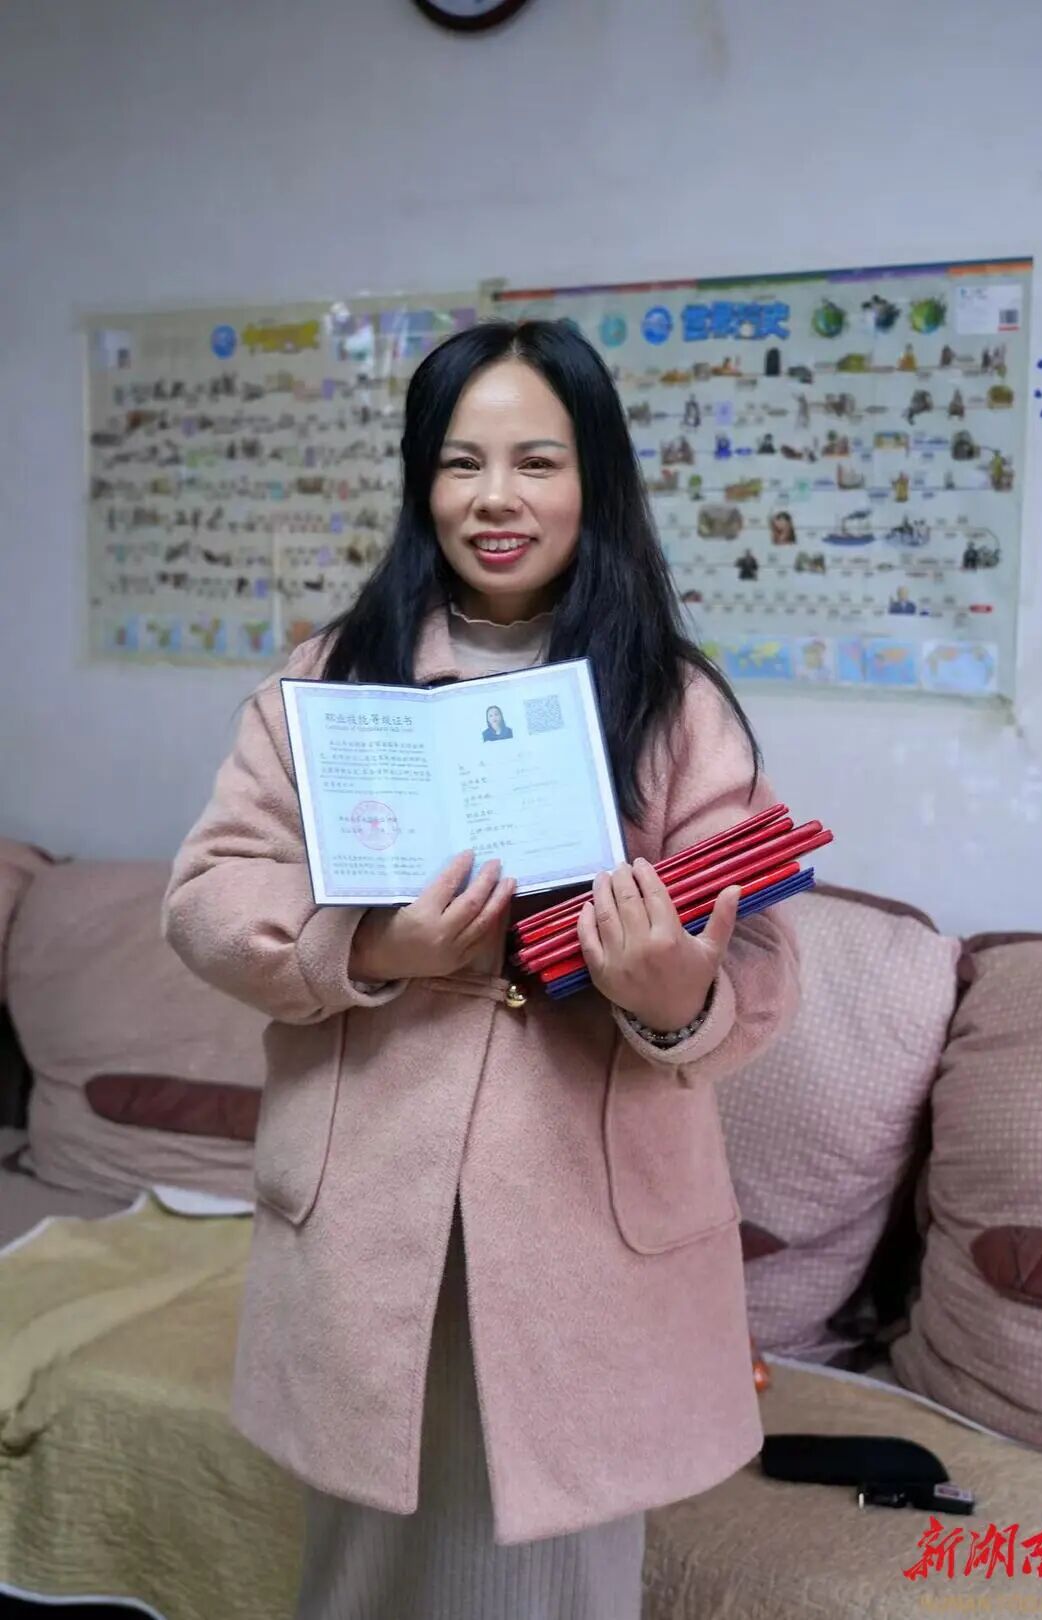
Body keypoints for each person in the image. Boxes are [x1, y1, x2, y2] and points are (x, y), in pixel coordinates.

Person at [164, 320, 799, 1620]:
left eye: (536, 462)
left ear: (594, 479)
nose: (495, 497)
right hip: (372, 1213)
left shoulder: (674, 701)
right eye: (461, 463)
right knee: (361, 1573)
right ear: (423, 481)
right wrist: (372, 945)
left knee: (560, 1578)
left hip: (582, 1228)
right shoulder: (330, 678)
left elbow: (761, 951)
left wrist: (672, 996)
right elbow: (210, 892)